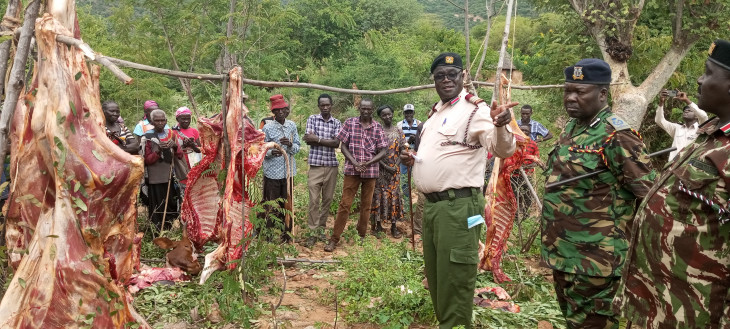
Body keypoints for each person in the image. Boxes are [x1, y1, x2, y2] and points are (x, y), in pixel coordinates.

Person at [613, 39, 730, 329]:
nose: (700, 80)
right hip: (658, 305)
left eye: (707, 72)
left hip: (693, 313)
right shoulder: (712, 134)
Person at [401, 52, 517, 328]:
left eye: (452, 75)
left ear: (463, 76)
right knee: (438, 277)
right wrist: (415, 158)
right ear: (434, 81)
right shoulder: (435, 114)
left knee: (455, 278)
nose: (446, 80)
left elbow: (502, 148)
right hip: (432, 207)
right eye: (440, 76)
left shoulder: (476, 111)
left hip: (458, 208)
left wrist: (501, 126)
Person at [541, 58, 655, 329]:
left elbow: (650, 196)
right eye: (567, 91)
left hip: (598, 262)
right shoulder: (573, 129)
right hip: (565, 254)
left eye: (579, 92)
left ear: (602, 94)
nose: (570, 98)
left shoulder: (616, 136)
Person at [324, 98, 387, 252]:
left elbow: (384, 150)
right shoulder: (350, 123)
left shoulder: (377, 127)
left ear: (373, 109)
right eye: (363, 108)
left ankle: (361, 236)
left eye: (368, 109)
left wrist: (369, 162)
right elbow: (342, 144)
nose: (365, 111)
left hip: (370, 171)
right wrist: (353, 162)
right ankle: (334, 239)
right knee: (345, 204)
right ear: (359, 108)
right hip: (352, 171)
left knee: (366, 206)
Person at [302, 94, 342, 248]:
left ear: (331, 105)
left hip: (331, 165)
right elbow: (307, 139)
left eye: (327, 105)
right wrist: (325, 141)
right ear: (319, 106)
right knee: (313, 201)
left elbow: (337, 143)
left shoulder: (337, 122)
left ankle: (321, 230)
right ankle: (312, 232)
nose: (325, 107)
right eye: (322, 105)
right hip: (316, 166)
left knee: (327, 200)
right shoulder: (312, 119)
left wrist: (317, 139)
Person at [261, 94, 300, 243]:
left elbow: (297, 146)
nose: (281, 112)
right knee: (271, 203)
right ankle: (269, 234)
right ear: (274, 113)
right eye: (277, 110)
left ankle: (287, 234)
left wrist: (290, 146)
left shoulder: (291, 126)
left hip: (288, 171)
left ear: (286, 110)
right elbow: (261, 149)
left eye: (283, 109)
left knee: (287, 203)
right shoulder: (267, 127)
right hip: (272, 172)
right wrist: (272, 152)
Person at [142, 109, 183, 231]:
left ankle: (170, 227)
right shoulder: (147, 137)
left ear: (166, 121)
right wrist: (158, 150)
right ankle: (157, 229)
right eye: (157, 120)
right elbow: (147, 160)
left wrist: (174, 146)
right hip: (155, 178)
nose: (160, 123)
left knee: (171, 201)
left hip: (170, 176)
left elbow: (179, 155)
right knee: (157, 204)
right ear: (152, 121)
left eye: (162, 120)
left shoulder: (171, 134)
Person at [371, 105, 406, 239]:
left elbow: (403, 150)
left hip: (394, 171)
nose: (387, 117)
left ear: (392, 114)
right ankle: (378, 226)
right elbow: (374, 153)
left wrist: (395, 166)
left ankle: (393, 226)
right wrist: (386, 167)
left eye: (389, 114)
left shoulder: (398, 131)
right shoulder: (377, 131)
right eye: (384, 115)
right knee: (379, 196)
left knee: (394, 196)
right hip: (380, 170)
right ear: (380, 117)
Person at [654, 89, 709, 161]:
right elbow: (659, 121)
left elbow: (704, 116)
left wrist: (686, 100)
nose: (686, 111)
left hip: (689, 167)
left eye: (689, 111)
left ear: (696, 116)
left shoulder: (701, 128)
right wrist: (661, 102)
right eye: (685, 111)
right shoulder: (677, 128)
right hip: (672, 166)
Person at [510, 125, 539, 219]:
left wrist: (525, 166)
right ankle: (515, 215)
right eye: (521, 130)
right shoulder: (513, 143)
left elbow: (536, 161)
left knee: (527, 195)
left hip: (527, 174)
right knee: (514, 196)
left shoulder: (533, 144)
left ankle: (526, 214)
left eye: (526, 130)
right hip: (513, 175)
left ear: (529, 133)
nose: (523, 132)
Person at [397, 104, 422, 212]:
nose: (408, 114)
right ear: (404, 114)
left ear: (413, 113)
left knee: (420, 179)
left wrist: (415, 139)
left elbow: (423, 139)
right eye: (406, 113)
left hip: (417, 154)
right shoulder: (399, 125)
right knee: (405, 180)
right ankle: (407, 207)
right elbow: (398, 142)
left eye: (410, 112)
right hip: (405, 155)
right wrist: (408, 142)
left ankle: (420, 206)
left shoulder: (420, 123)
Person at [172, 106, 202, 188]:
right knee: (184, 186)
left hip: (194, 162)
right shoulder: (173, 132)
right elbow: (173, 151)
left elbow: (200, 149)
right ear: (177, 119)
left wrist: (192, 145)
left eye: (188, 118)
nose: (186, 121)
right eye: (183, 119)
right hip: (181, 164)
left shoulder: (194, 131)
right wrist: (183, 146)